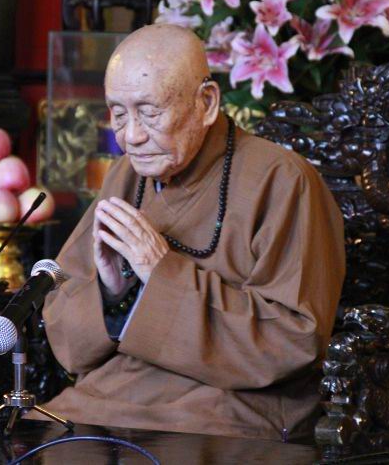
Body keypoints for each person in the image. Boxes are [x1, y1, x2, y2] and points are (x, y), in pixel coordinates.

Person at [34, 24, 345, 441]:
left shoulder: (283, 180)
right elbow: (65, 327)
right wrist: (111, 294)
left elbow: (294, 340)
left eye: (149, 112)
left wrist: (160, 272)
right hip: (110, 396)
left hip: (224, 407)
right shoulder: (127, 176)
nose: (131, 137)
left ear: (207, 102)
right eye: (118, 114)